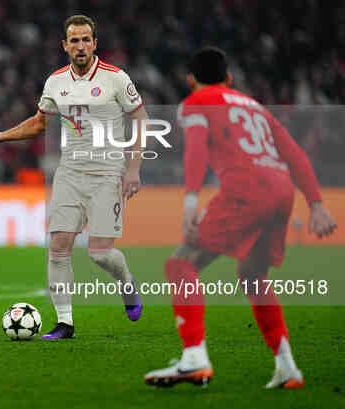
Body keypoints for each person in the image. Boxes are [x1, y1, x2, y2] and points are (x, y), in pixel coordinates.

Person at [144, 47, 337, 388]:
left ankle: (193, 357)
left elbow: (198, 147)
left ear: (191, 80)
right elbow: (293, 153)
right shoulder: (256, 107)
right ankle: (287, 367)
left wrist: (190, 199)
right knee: (252, 274)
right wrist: (317, 203)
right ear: (230, 78)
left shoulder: (196, 103)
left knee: (181, 264)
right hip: (282, 190)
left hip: (247, 188)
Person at [0, 15, 147, 339]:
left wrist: (133, 169)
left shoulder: (115, 78)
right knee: (58, 247)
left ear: (95, 43)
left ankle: (126, 282)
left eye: (86, 40)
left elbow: (141, 118)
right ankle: (65, 323)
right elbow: (39, 123)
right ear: (65, 45)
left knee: (99, 253)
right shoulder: (56, 81)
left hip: (106, 172)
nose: (81, 46)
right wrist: (3, 135)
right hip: (69, 173)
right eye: (75, 40)